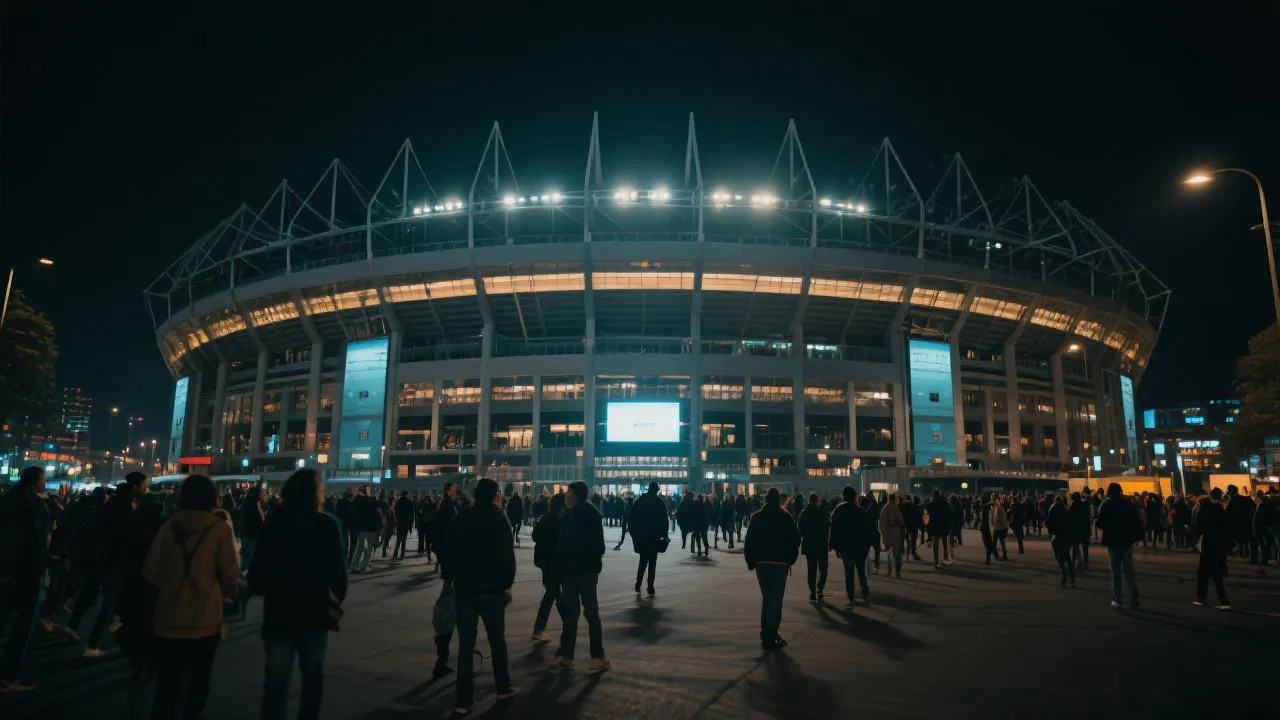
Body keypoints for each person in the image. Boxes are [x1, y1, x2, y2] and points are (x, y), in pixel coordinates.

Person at [248, 468, 347, 720]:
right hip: (314, 613)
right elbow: (338, 575)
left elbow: (257, 573)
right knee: (312, 678)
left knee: (276, 684)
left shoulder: (274, 522)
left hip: (279, 613)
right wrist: (336, 595)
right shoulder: (326, 524)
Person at [143, 474, 240, 719]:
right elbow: (230, 574)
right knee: (199, 684)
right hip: (205, 619)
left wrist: (172, 582)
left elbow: (150, 570)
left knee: (167, 688)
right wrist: (227, 592)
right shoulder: (220, 529)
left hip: (168, 618)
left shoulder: (169, 526)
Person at [442, 477, 519, 714]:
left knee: (466, 645)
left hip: (465, 589)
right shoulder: (499, 519)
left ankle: (463, 700)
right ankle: (503, 687)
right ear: (495, 495)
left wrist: (450, 578)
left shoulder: (461, 518)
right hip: (492, 590)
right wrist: (507, 585)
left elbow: (448, 552)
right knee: (497, 640)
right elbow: (506, 556)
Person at [0, 467, 53, 692]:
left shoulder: (6, 500)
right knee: (23, 625)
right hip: (27, 571)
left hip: (6, 571)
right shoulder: (36, 506)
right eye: (43, 480)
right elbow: (42, 539)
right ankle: (8, 676)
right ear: (36, 482)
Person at [553, 481, 609, 672]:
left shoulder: (581, 515)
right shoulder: (580, 514)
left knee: (580, 614)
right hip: (580, 572)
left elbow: (564, 545)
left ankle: (580, 655)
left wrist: (563, 567)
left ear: (578, 495)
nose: (566, 495)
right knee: (584, 614)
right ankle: (590, 656)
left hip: (579, 572)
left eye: (569, 492)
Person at [743, 488, 800, 649]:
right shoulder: (786, 517)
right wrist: (790, 560)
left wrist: (750, 561)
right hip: (780, 563)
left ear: (766, 500)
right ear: (778, 500)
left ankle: (767, 633)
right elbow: (796, 539)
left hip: (762, 562)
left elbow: (749, 540)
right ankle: (771, 633)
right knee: (776, 599)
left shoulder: (757, 517)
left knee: (767, 597)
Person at [1095, 482, 1142, 609]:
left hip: (1113, 540)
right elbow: (1136, 521)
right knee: (1128, 570)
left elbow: (1100, 521)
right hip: (1126, 540)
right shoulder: (1127, 504)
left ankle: (1118, 598)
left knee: (1115, 570)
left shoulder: (1106, 504)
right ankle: (1134, 597)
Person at [431, 482, 459, 677]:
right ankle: (443, 656)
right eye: (454, 490)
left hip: (449, 566)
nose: (456, 493)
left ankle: (442, 653)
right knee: (450, 610)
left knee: (448, 608)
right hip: (453, 568)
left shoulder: (445, 507)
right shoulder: (449, 509)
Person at [531, 493, 566, 643]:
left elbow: (535, 535)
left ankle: (541, 628)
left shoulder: (546, 519)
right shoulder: (559, 522)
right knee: (554, 594)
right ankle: (566, 624)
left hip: (545, 563)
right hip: (554, 564)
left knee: (553, 593)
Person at [830, 487, 872, 607]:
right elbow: (867, 529)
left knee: (849, 573)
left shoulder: (839, 510)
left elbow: (834, 529)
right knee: (861, 571)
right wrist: (868, 545)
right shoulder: (861, 511)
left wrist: (834, 545)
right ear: (854, 497)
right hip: (860, 546)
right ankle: (865, 593)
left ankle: (851, 597)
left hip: (846, 547)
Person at [1190, 489, 1231, 609]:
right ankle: (1220, 599)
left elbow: (1198, 527)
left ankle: (1204, 598)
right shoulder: (1219, 509)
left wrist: (1194, 540)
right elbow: (1226, 526)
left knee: (1205, 572)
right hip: (1219, 543)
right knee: (1213, 572)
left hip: (1208, 543)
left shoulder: (1203, 511)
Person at [629, 482, 669, 596]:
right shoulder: (659, 503)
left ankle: (638, 584)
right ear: (656, 490)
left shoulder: (640, 501)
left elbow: (632, 518)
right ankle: (650, 586)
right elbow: (664, 520)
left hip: (642, 536)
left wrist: (634, 535)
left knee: (642, 561)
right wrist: (665, 535)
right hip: (654, 537)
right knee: (652, 563)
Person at [797, 493, 830, 602]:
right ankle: (820, 588)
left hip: (809, 545)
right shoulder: (822, 514)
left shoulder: (803, 513)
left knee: (811, 570)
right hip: (822, 545)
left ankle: (812, 592)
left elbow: (800, 527)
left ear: (809, 501)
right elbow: (827, 528)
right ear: (817, 501)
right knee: (823, 568)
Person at [348, 486, 381, 573]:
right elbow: (377, 510)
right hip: (371, 528)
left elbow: (352, 511)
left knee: (360, 547)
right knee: (369, 548)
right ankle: (364, 565)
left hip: (361, 528)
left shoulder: (358, 500)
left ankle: (354, 565)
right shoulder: (373, 500)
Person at [1045, 494, 1076, 588]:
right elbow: (1070, 522)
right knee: (1067, 557)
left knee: (1059, 556)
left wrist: (1051, 532)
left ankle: (1064, 573)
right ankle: (1072, 579)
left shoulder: (1052, 508)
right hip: (1066, 536)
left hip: (1057, 536)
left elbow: (1049, 522)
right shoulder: (1066, 508)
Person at [239, 485, 266, 572]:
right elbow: (250, 522)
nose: (264, 494)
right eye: (262, 493)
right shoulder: (250, 506)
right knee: (247, 560)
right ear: (257, 494)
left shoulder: (258, 504)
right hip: (250, 537)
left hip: (255, 537)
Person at [878, 494, 906, 577]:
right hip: (896, 532)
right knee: (897, 554)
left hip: (887, 532)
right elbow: (901, 521)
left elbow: (881, 524)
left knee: (889, 553)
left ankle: (889, 571)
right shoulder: (896, 508)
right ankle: (897, 571)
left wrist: (883, 533)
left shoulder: (885, 508)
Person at [926, 490, 952, 568]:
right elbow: (949, 515)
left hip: (935, 527)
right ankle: (945, 559)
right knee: (944, 544)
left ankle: (936, 561)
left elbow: (928, 516)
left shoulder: (931, 504)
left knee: (935, 545)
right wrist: (948, 526)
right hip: (944, 526)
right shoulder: (945, 503)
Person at [392, 490, 415, 561]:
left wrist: (396, 521)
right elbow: (412, 515)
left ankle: (395, 554)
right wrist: (411, 525)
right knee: (404, 539)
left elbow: (395, 511)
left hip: (399, 523)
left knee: (398, 539)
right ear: (406, 495)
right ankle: (402, 555)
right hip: (406, 523)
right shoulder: (409, 503)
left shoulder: (398, 502)